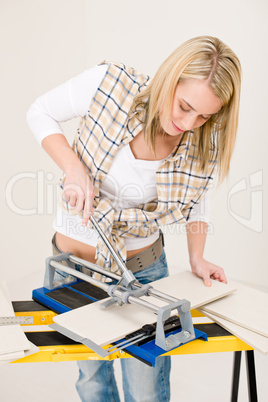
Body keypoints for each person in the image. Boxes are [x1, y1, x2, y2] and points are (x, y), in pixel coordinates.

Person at [27, 35, 241, 402]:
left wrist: (197, 258)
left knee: (148, 389)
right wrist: (73, 168)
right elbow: (39, 111)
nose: (189, 123)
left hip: (143, 272)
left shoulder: (203, 138)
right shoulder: (110, 84)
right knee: (92, 383)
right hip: (73, 270)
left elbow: (198, 198)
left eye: (204, 115)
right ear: (169, 78)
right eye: (184, 106)